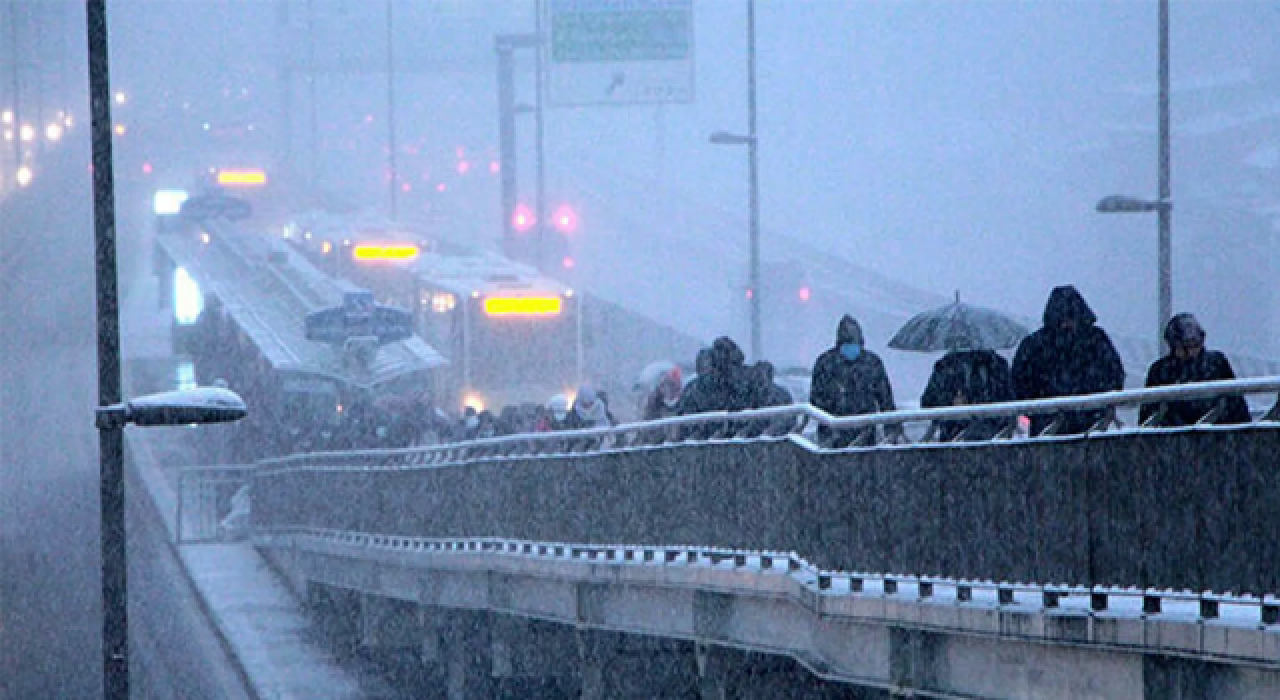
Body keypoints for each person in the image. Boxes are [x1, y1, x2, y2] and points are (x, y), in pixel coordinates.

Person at [1011, 285, 1125, 436]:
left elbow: (1019, 385)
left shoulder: (1034, 344)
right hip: (1092, 424)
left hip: (1049, 427)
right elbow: (1114, 376)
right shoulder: (1096, 341)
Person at [1140, 313, 1251, 427]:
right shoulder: (1160, 370)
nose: (1191, 352)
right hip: (1175, 436)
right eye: (1184, 347)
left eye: (1195, 345)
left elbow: (1236, 405)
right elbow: (1148, 415)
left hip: (1216, 435)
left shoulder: (1216, 363)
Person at [810, 315, 899, 447]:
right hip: (835, 432)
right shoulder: (826, 363)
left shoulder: (872, 363)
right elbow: (816, 400)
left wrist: (892, 427)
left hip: (863, 431)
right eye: (847, 341)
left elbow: (885, 398)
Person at [920, 337, 1013, 441]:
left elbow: (928, 403)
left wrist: (949, 404)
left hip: (956, 437)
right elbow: (1010, 401)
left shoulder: (947, 366)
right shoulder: (997, 365)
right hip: (990, 436)